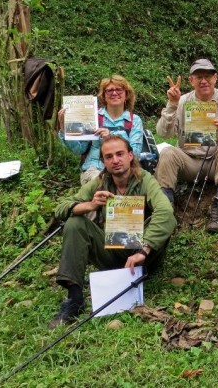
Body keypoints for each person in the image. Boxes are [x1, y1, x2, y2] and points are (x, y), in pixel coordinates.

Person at [49, 135, 176, 329]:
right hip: (112, 252)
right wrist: (90, 204)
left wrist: (144, 250)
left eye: (119, 154)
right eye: (109, 157)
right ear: (103, 161)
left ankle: (140, 260)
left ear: (130, 156)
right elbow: (61, 208)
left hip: (143, 256)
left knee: (165, 217)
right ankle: (74, 299)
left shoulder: (145, 179)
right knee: (75, 223)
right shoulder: (100, 182)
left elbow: (166, 211)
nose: (115, 160)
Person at [155, 58, 218, 232]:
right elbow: (163, 133)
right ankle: (165, 210)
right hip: (188, 159)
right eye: (199, 77)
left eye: (208, 76)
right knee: (167, 153)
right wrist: (172, 105)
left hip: (216, 162)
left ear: (215, 78)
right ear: (191, 80)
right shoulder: (182, 101)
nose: (204, 81)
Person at [58, 75, 144, 185]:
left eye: (119, 89)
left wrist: (110, 138)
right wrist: (65, 129)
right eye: (109, 90)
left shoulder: (134, 120)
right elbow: (78, 150)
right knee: (101, 182)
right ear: (103, 95)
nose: (114, 93)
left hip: (123, 171)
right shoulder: (92, 116)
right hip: (94, 170)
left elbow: (135, 154)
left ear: (126, 94)